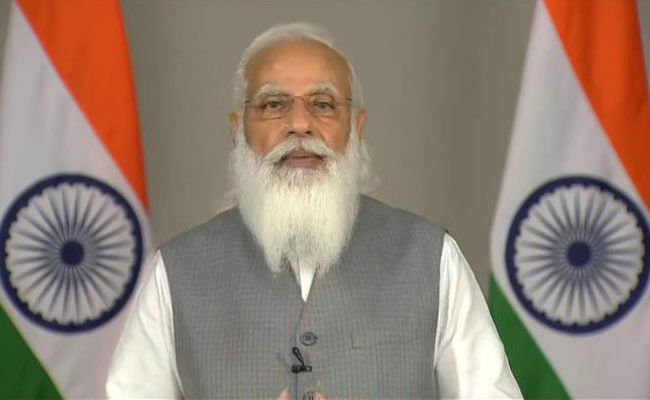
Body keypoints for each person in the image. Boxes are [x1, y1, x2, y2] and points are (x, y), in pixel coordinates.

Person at [106, 22, 521, 399]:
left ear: (356, 127)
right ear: (238, 129)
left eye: (323, 104)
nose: (300, 124)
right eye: (274, 104)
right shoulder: (177, 272)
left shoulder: (429, 257)